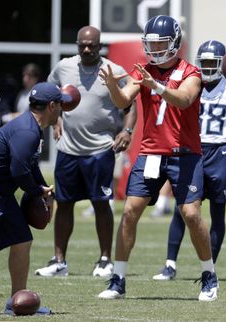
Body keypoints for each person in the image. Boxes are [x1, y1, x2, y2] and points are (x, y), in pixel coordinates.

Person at [97, 15, 218, 301]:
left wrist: (158, 87)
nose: (155, 48)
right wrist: (113, 84)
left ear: (174, 42)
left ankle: (209, 275)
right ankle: (119, 279)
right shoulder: (144, 71)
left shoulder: (191, 71)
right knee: (129, 212)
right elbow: (122, 100)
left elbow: (184, 99)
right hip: (151, 152)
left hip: (185, 155)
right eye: (151, 43)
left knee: (190, 214)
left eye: (161, 42)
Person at [152, 40, 226, 281]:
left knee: (218, 212)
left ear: (222, 65)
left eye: (211, 63)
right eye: (203, 62)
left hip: (220, 152)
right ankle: (169, 264)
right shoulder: (191, 84)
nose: (206, 67)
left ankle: (210, 268)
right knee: (182, 210)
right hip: (191, 151)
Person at [35, 26, 137, 278]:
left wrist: (127, 131)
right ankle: (59, 260)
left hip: (100, 149)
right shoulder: (64, 67)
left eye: (92, 45)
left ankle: (105, 260)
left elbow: (129, 105)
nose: (87, 49)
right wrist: (56, 118)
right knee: (64, 204)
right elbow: (50, 94)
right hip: (68, 149)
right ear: (77, 45)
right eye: (83, 45)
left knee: (101, 204)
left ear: (100, 45)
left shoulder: (114, 70)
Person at [0, 82, 70, 315]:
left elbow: (29, 165)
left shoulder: (33, 127)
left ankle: (17, 301)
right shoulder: (27, 131)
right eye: (60, 105)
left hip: (1, 193)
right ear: (52, 106)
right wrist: (36, 192)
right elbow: (18, 170)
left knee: (22, 240)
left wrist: (42, 188)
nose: (62, 109)